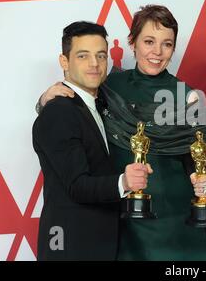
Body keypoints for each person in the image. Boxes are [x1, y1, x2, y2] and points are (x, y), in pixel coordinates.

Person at [36, 5, 206, 260]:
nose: (157, 52)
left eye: (167, 44)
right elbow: (74, 115)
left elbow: (201, 158)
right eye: (149, 41)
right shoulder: (109, 86)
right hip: (125, 218)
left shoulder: (188, 95)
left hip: (176, 217)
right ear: (133, 43)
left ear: (174, 48)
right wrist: (44, 100)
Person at [32, 21, 149, 260]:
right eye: (83, 56)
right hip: (72, 246)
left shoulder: (99, 101)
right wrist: (124, 182)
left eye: (101, 55)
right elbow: (77, 185)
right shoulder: (60, 112)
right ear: (64, 62)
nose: (94, 64)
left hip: (98, 242)